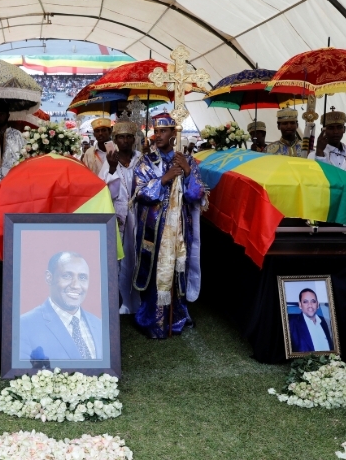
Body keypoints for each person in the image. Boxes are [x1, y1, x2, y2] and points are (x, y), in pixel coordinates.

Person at [132, 114, 207, 339]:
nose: (159, 135)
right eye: (157, 131)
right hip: (154, 229)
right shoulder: (146, 161)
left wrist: (185, 172)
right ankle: (152, 320)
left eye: (164, 131)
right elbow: (140, 192)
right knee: (155, 271)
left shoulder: (187, 161)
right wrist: (164, 179)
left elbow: (197, 195)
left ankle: (177, 317)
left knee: (177, 271)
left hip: (179, 228)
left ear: (174, 134)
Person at [18, 252, 103, 361]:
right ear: (49, 277)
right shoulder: (24, 326)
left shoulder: (99, 325)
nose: (76, 286)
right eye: (67, 276)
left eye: (82, 277)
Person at [102, 119, 141, 314]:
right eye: (120, 137)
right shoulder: (110, 159)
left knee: (138, 256)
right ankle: (120, 302)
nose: (124, 140)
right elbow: (102, 190)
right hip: (118, 216)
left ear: (134, 139)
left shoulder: (141, 159)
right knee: (119, 258)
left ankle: (138, 302)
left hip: (140, 214)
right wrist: (110, 168)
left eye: (128, 137)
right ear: (115, 140)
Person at [310, 110, 346, 174]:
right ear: (323, 130)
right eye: (331, 128)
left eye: (339, 127)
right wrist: (319, 152)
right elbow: (316, 176)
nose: (336, 132)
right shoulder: (313, 155)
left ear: (344, 129)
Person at [0, 109, 25, 186]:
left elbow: (24, 157)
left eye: (1, 114)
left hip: (12, 179)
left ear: (8, 115)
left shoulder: (17, 135)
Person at [288, 288, 333, 352]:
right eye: (305, 302)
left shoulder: (324, 321)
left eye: (313, 301)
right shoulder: (291, 324)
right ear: (300, 305)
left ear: (317, 304)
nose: (310, 305)